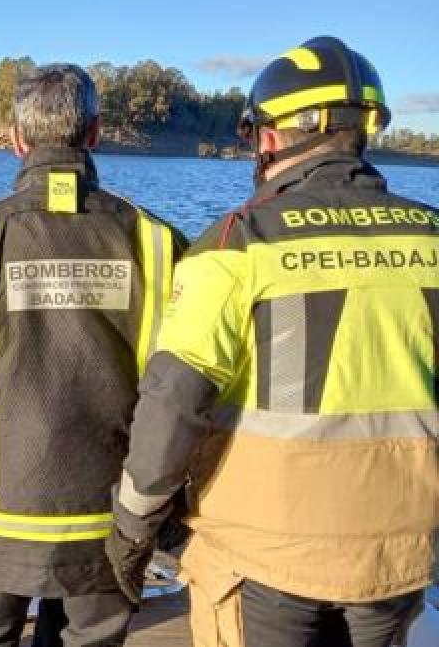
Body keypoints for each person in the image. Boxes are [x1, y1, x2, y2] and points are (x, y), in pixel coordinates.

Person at [107, 36, 439, 647]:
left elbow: (174, 397)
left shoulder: (239, 243)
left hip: (267, 553)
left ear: (267, 137)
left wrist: (133, 522)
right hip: (401, 547)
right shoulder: (432, 236)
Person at [0, 64, 185, 647]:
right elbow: (183, 392)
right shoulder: (158, 243)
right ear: (96, 134)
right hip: (112, 519)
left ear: (16, 141)